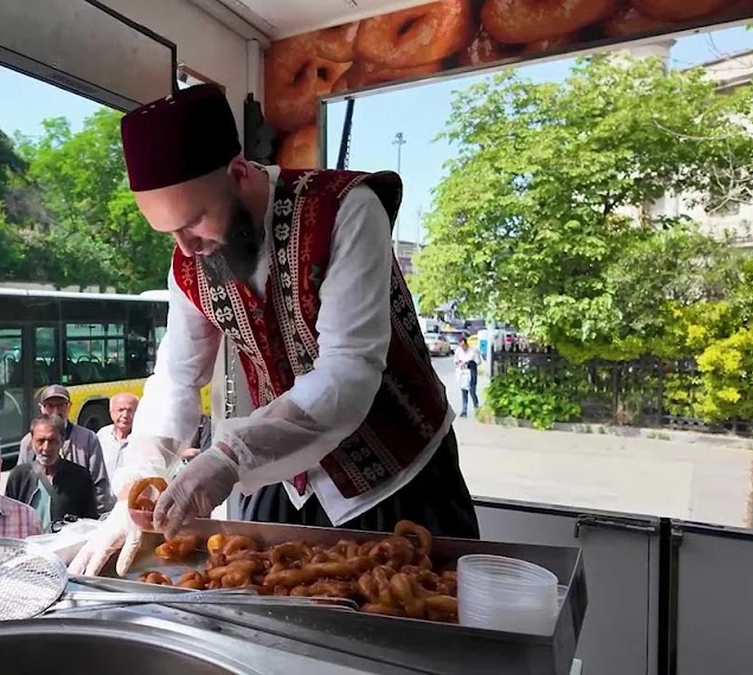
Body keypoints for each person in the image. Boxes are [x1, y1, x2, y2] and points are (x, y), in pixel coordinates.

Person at [71, 83, 479, 577]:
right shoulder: (190, 258)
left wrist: (229, 456)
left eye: (195, 221)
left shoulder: (344, 212)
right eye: (170, 233)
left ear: (239, 173)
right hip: (283, 477)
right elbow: (178, 376)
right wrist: (144, 468)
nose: (186, 246)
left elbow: (348, 372)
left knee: (411, 620)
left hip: (397, 474)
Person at [18, 385, 114, 514]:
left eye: (60, 405)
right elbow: (21, 482)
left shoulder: (87, 438)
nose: (55, 411)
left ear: (69, 406)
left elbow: (99, 484)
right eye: (50, 406)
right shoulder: (28, 442)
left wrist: (99, 518)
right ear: (41, 408)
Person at [7, 414, 99, 527]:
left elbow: (90, 523)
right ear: (31, 441)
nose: (46, 448)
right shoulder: (18, 477)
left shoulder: (80, 477)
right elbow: (8, 518)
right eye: (40, 441)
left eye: (52, 440)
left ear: (62, 441)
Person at [97, 392, 139, 480]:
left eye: (130, 410)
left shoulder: (142, 438)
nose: (125, 415)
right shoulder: (102, 435)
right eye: (120, 410)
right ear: (111, 413)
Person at [454, 335, 481, 418]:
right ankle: (464, 410)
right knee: (464, 391)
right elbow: (455, 361)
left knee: (472, 392)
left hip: (471, 372)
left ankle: (476, 408)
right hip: (462, 372)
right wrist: (460, 362)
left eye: (463, 346)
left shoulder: (473, 350)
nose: (462, 347)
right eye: (461, 346)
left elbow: (478, 362)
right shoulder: (458, 350)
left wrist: (469, 362)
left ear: (466, 344)